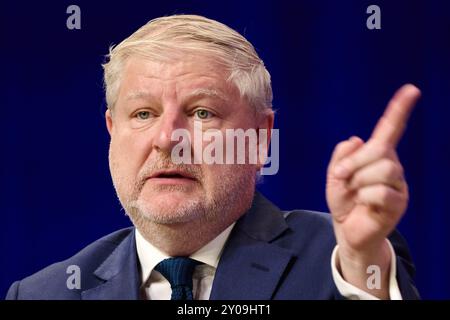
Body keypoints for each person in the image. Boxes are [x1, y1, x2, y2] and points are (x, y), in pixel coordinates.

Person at [6, 14, 420, 300]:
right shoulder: (47, 292)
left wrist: (362, 264)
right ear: (112, 132)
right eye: (143, 114)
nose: (168, 139)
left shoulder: (337, 258)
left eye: (202, 113)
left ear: (260, 138)